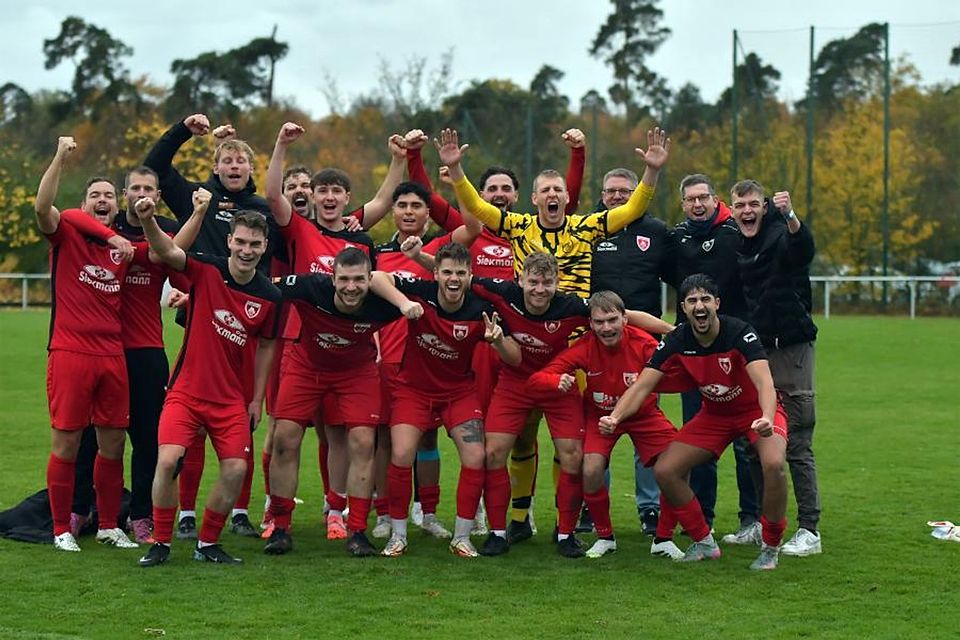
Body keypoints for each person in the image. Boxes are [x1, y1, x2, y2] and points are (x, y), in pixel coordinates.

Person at [404, 127, 585, 539]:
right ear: (479, 195)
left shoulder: (527, 229)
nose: (499, 194)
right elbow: (431, 201)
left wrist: (577, 155)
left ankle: (527, 514)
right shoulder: (470, 228)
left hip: (534, 344)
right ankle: (483, 511)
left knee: (532, 434)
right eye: (491, 188)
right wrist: (418, 158)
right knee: (488, 432)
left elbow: (565, 199)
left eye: (506, 188)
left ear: (520, 196)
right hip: (480, 342)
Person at [468, 253, 673, 557]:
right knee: (494, 451)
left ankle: (565, 534)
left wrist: (673, 333)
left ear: (557, 283)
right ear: (521, 279)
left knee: (573, 456)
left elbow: (626, 313)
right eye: (533, 282)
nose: (539, 289)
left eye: (547, 283)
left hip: (560, 381)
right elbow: (454, 276)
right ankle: (498, 532)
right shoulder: (503, 293)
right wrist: (417, 256)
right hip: (514, 383)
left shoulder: (572, 306)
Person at [145, 113, 276, 538]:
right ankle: (185, 513)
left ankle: (237, 512)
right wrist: (184, 129)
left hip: (250, 319)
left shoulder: (263, 211)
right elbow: (157, 166)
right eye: (228, 160)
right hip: (203, 310)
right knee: (193, 426)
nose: (235, 166)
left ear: (250, 170)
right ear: (216, 167)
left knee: (239, 417)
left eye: (242, 161)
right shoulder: (198, 199)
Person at [601, 274, 789, 570]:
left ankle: (771, 544)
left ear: (717, 303)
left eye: (705, 299)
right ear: (684, 309)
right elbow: (641, 386)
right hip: (714, 415)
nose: (699, 306)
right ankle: (703, 541)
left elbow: (765, 382)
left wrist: (766, 415)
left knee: (774, 464)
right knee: (666, 469)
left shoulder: (740, 333)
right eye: (691, 301)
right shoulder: (678, 339)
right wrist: (615, 416)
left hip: (755, 412)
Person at [263, 122, 396, 540]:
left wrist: (397, 159)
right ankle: (278, 519)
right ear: (314, 198)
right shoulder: (301, 229)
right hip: (302, 346)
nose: (330, 197)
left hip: (352, 354)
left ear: (345, 199)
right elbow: (270, 196)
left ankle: (339, 513)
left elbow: (384, 201)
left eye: (337, 191)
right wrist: (281, 145)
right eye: (323, 191)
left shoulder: (356, 233)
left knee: (346, 436)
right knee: (285, 435)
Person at [136, 203, 281, 567]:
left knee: (235, 469)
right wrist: (147, 218)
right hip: (185, 392)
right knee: (168, 461)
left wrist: (257, 398)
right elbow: (166, 252)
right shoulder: (206, 269)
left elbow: (266, 346)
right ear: (230, 241)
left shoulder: (269, 296)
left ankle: (207, 543)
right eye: (241, 242)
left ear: (264, 247)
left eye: (255, 244)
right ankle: (162, 542)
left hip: (230, 399)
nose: (247, 250)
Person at [264, 248, 423, 557]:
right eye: (345, 280)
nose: (352, 287)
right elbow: (258, 286)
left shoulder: (383, 302)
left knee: (364, 442)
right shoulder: (309, 286)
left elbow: (435, 294)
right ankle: (280, 528)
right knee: (284, 439)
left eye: (360, 280)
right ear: (332, 279)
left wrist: (405, 303)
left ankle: (358, 532)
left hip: (356, 372)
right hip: (306, 365)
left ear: (370, 280)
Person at [382, 243, 521, 558]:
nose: (453, 278)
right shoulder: (421, 292)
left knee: (475, 456)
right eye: (447, 272)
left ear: (470, 275)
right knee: (402, 453)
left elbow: (515, 357)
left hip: (457, 392)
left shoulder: (482, 309)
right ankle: (398, 535)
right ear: (436, 273)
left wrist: (499, 342)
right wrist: (404, 304)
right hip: (413, 390)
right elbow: (378, 277)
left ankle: (462, 537)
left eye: (460, 272)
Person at [34, 136, 139, 552]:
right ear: (85, 203)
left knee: (113, 443)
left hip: (112, 354)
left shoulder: (125, 247)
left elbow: (167, 252)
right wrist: (59, 155)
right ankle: (61, 528)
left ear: (117, 206)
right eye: (95, 194)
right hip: (70, 352)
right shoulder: (68, 234)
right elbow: (45, 208)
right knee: (68, 441)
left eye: (109, 196)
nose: (102, 200)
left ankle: (110, 524)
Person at [528, 291, 680, 559]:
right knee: (591, 470)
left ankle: (664, 539)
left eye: (612, 320)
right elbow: (539, 377)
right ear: (591, 324)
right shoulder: (585, 347)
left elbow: (681, 370)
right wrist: (555, 382)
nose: (606, 328)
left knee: (675, 466)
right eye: (599, 322)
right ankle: (605, 536)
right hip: (599, 416)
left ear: (625, 320)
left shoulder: (644, 343)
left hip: (644, 414)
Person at [371, 179, 482, 540]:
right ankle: (386, 513)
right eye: (401, 205)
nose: (408, 211)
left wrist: (453, 176)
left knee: (430, 441)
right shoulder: (378, 252)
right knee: (387, 439)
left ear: (426, 212)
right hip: (390, 355)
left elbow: (472, 228)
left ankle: (428, 512)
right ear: (392, 210)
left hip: (432, 359)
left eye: (416, 206)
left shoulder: (440, 250)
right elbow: (370, 290)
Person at [729, 180, 821, 557]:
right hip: (758, 352)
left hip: (792, 349)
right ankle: (762, 523)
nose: (747, 211)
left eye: (753, 204)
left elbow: (802, 250)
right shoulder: (736, 243)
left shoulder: (781, 232)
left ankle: (809, 530)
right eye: (740, 205)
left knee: (797, 440)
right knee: (756, 442)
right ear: (732, 209)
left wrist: (792, 216)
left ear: (765, 207)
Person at [673, 173, 760, 544]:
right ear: (683, 204)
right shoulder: (675, 238)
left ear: (714, 199)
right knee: (698, 442)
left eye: (703, 198)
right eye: (690, 199)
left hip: (735, 352)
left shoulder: (735, 234)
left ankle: (752, 519)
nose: (697, 204)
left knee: (747, 442)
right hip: (693, 355)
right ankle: (702, 519)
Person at [590, 166, 676, 536]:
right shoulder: (590, 229)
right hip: (598, 340)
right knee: (597, 418)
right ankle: (592, 507)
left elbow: (678, 276)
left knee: (644, 419)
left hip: (644, 345)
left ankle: (649, 507)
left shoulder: (656, 232)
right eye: (611, 191)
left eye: (625, 191)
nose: (617, 197)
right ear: (602, 194)